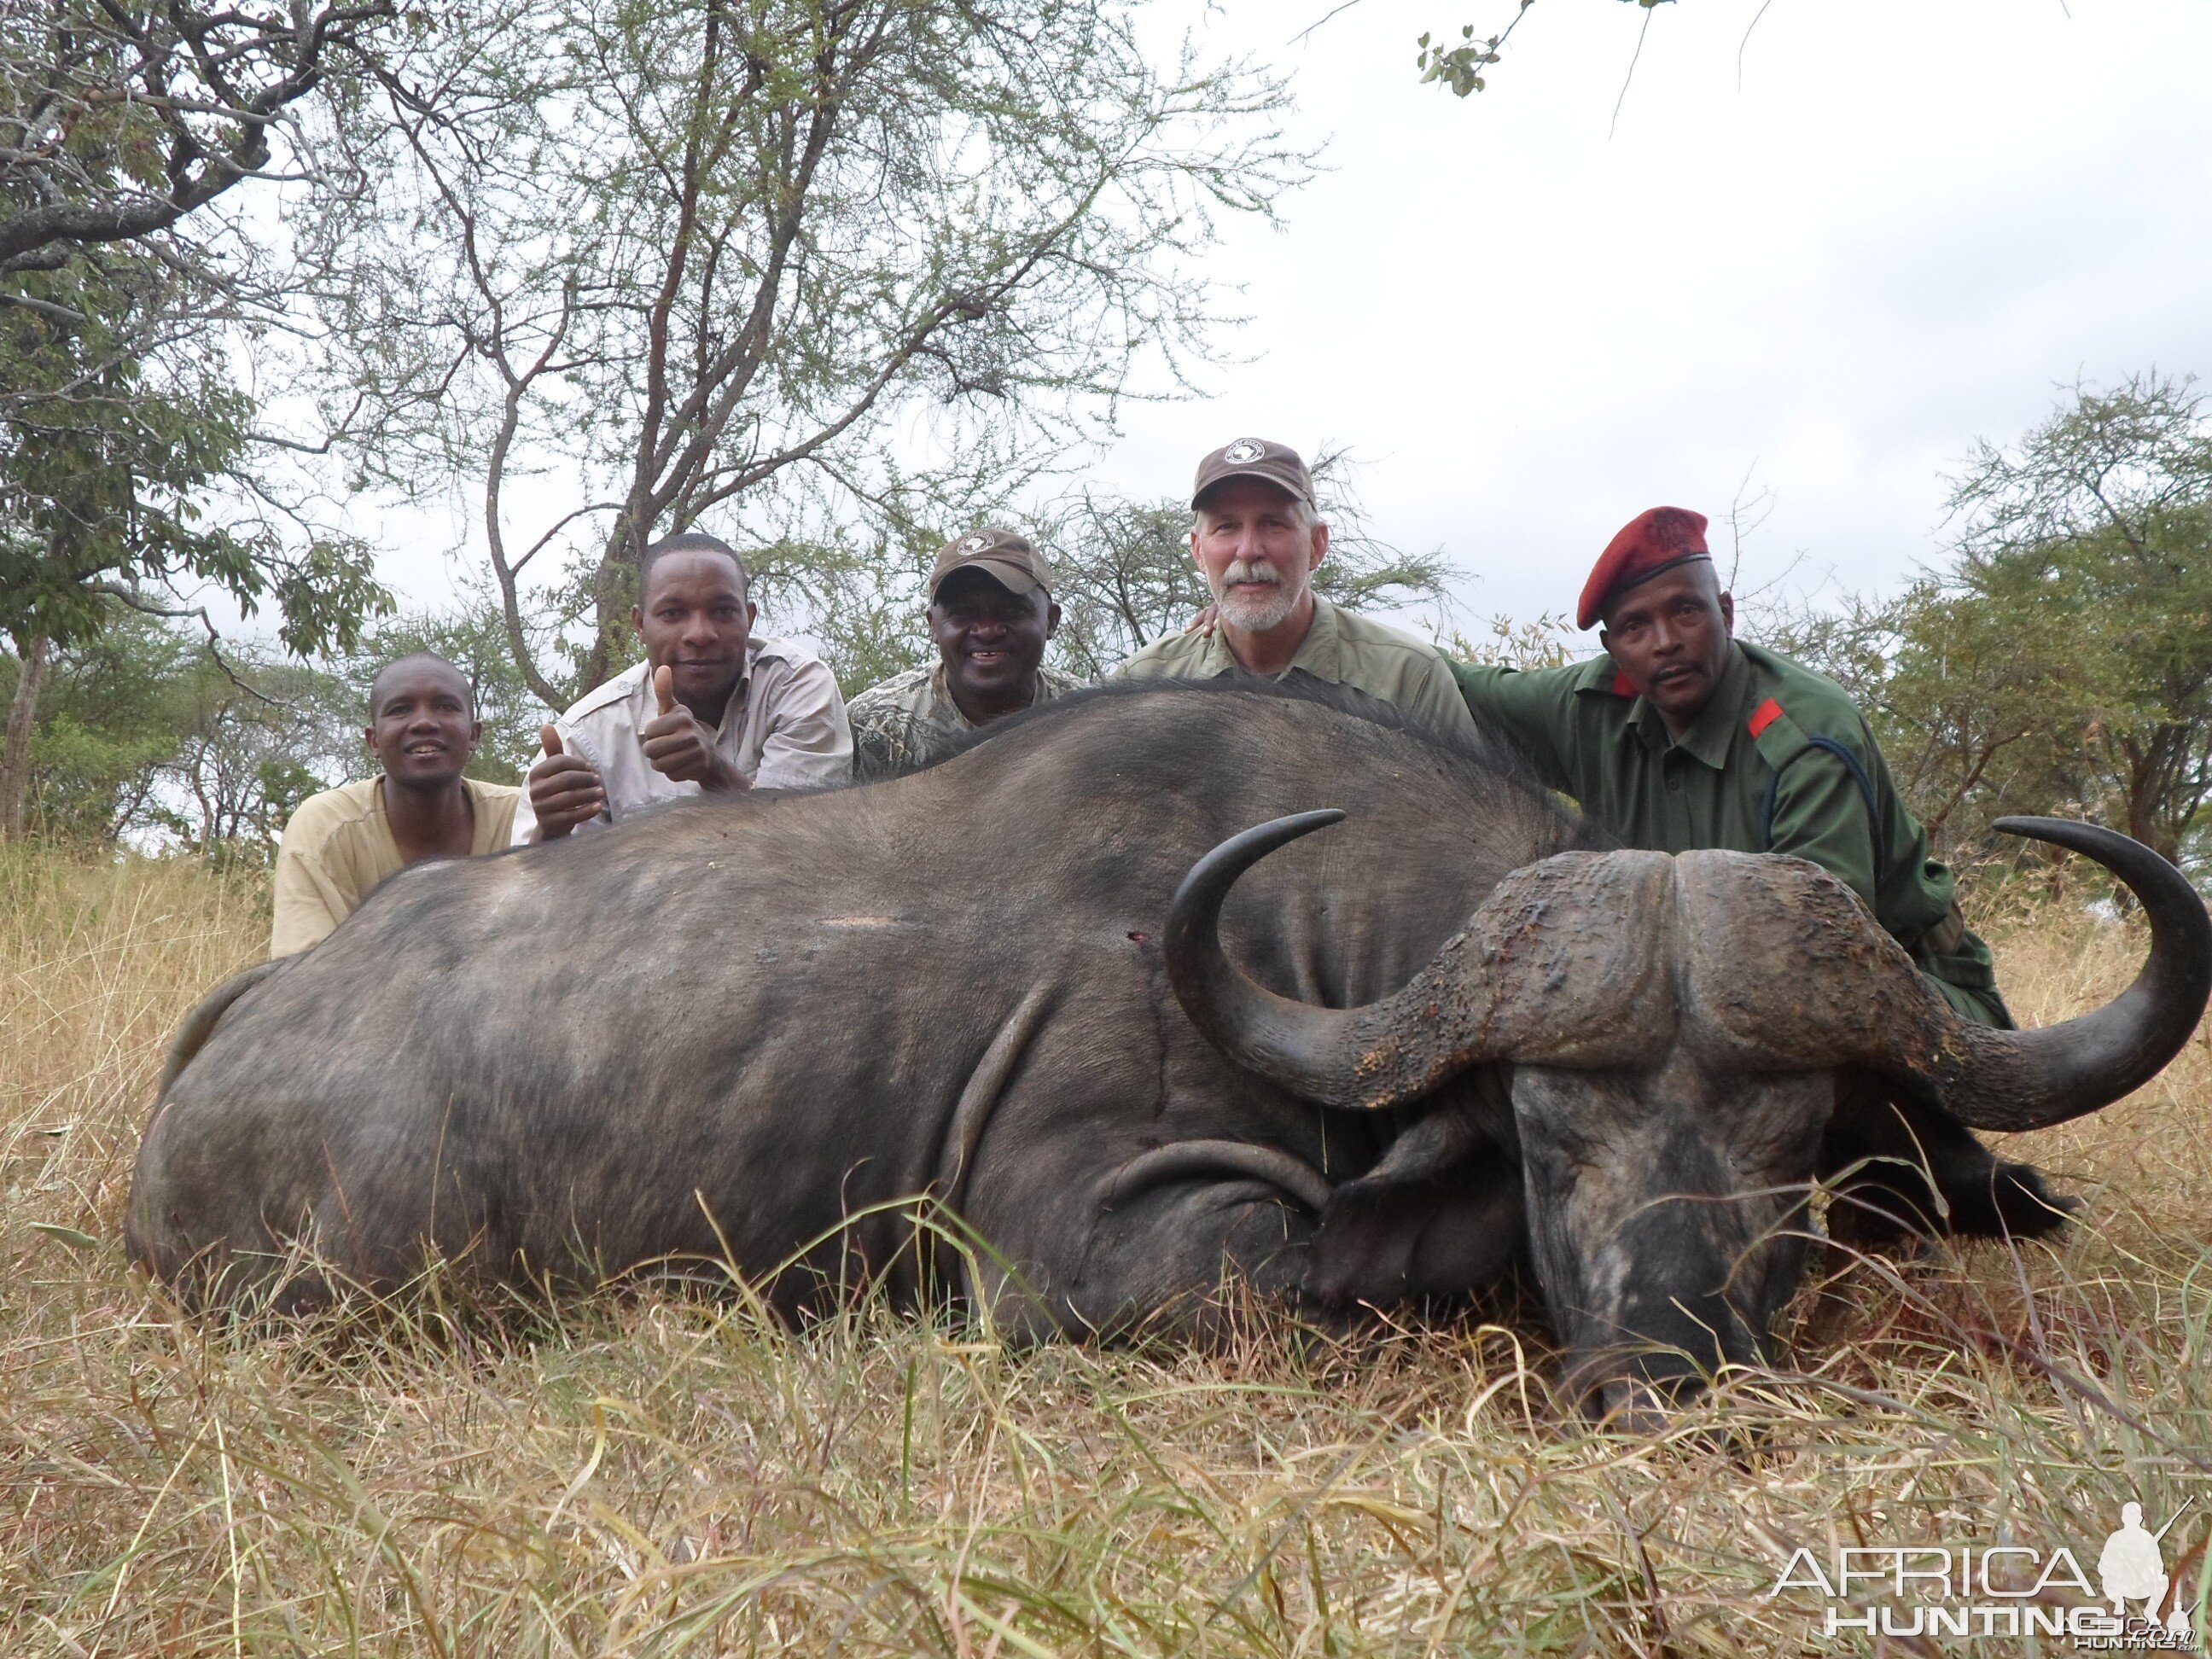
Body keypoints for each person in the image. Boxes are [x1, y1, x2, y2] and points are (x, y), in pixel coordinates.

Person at [1448, 504, 2070, 1240]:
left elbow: (1815, 969)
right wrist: (1304, 620)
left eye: (1686, 610)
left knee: (1797, 1045)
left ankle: (1907, 1174)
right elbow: (1444, 685)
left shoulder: (1804, 739)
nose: (1667, 642)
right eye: (1637, 627)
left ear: (1726, 611)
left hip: (1893, 996)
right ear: (1614, 648)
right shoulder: (1589, 707)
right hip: (1701, 992)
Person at [1115, 436, 1476, 739]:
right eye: (1226, 527)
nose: (1249, 550)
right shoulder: (1141, 685)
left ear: (1317, 545)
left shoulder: (1409, 682)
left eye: (1274, 524)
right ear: (1198, 550)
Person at [515, 531, 851, 841]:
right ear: (640, 624)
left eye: (722, 611)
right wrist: (549, 833)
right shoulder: (587, 735)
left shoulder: (797, 687)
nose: (701, 634)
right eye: (673, 613)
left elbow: (809, 844)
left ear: (749, 618)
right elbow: (522, 886)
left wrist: (714, 771)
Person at [271, 652, 520, 955]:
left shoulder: (523, 815)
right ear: (373, 741)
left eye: (445, 706)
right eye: (400, 710)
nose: (424, 723)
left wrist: (551, 834)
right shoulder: (325, 827)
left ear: (474, 734)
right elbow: (303, 982)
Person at [847, 527, 1084, 780]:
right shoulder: (870, 726)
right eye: (962, 613)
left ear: (1051, 620)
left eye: (1013, 610)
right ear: (933, 626)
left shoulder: (1089, 716)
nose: (988, 631)